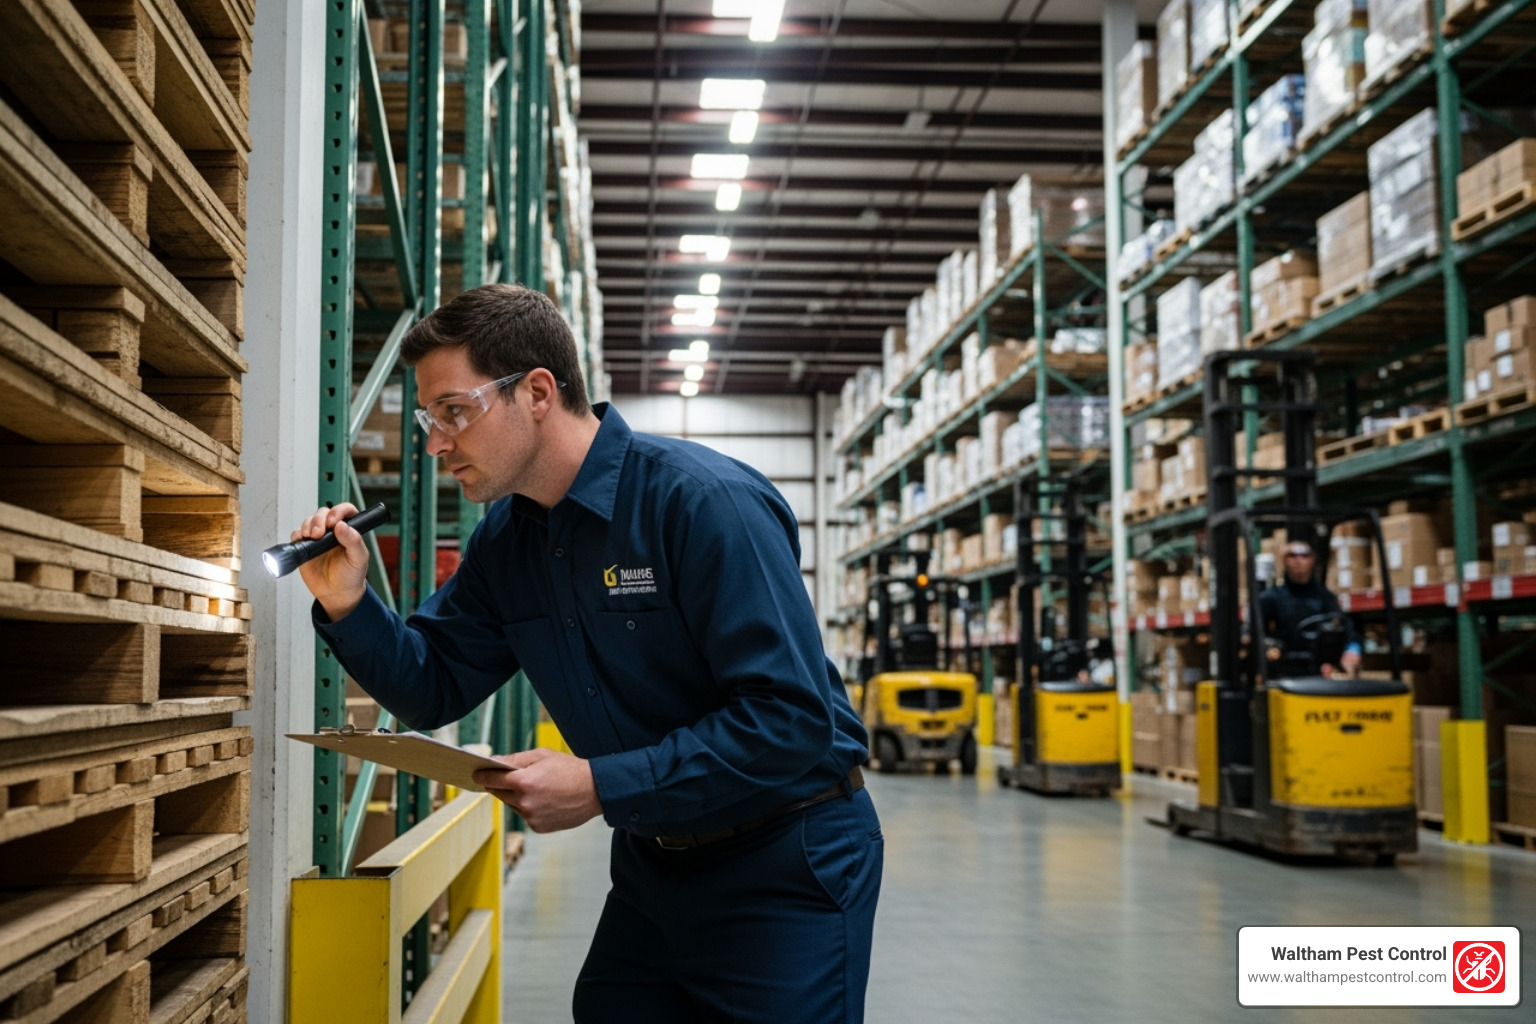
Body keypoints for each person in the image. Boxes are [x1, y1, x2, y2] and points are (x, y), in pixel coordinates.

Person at [292, 283, 881, 1023]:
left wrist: (602, 784)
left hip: (784, 856)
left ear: (536, 391)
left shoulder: (703, 504)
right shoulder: (508, 541)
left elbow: (790, 721)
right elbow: (431, 685)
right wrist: (348, 601)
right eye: (427, 418)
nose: (436, 442)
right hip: (654, 861)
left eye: (454, 411)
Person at [1257, 539, 1362, 678]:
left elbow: (1344, 626)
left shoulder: (1325, 597)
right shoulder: (1270, 598)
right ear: (1284, 560)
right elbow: (1257, 632)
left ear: (1312, 560)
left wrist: (1353, 649)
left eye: (1304, 556)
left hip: (1318, 668)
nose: (1298, 560)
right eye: (1292, 556)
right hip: (1283, 670)